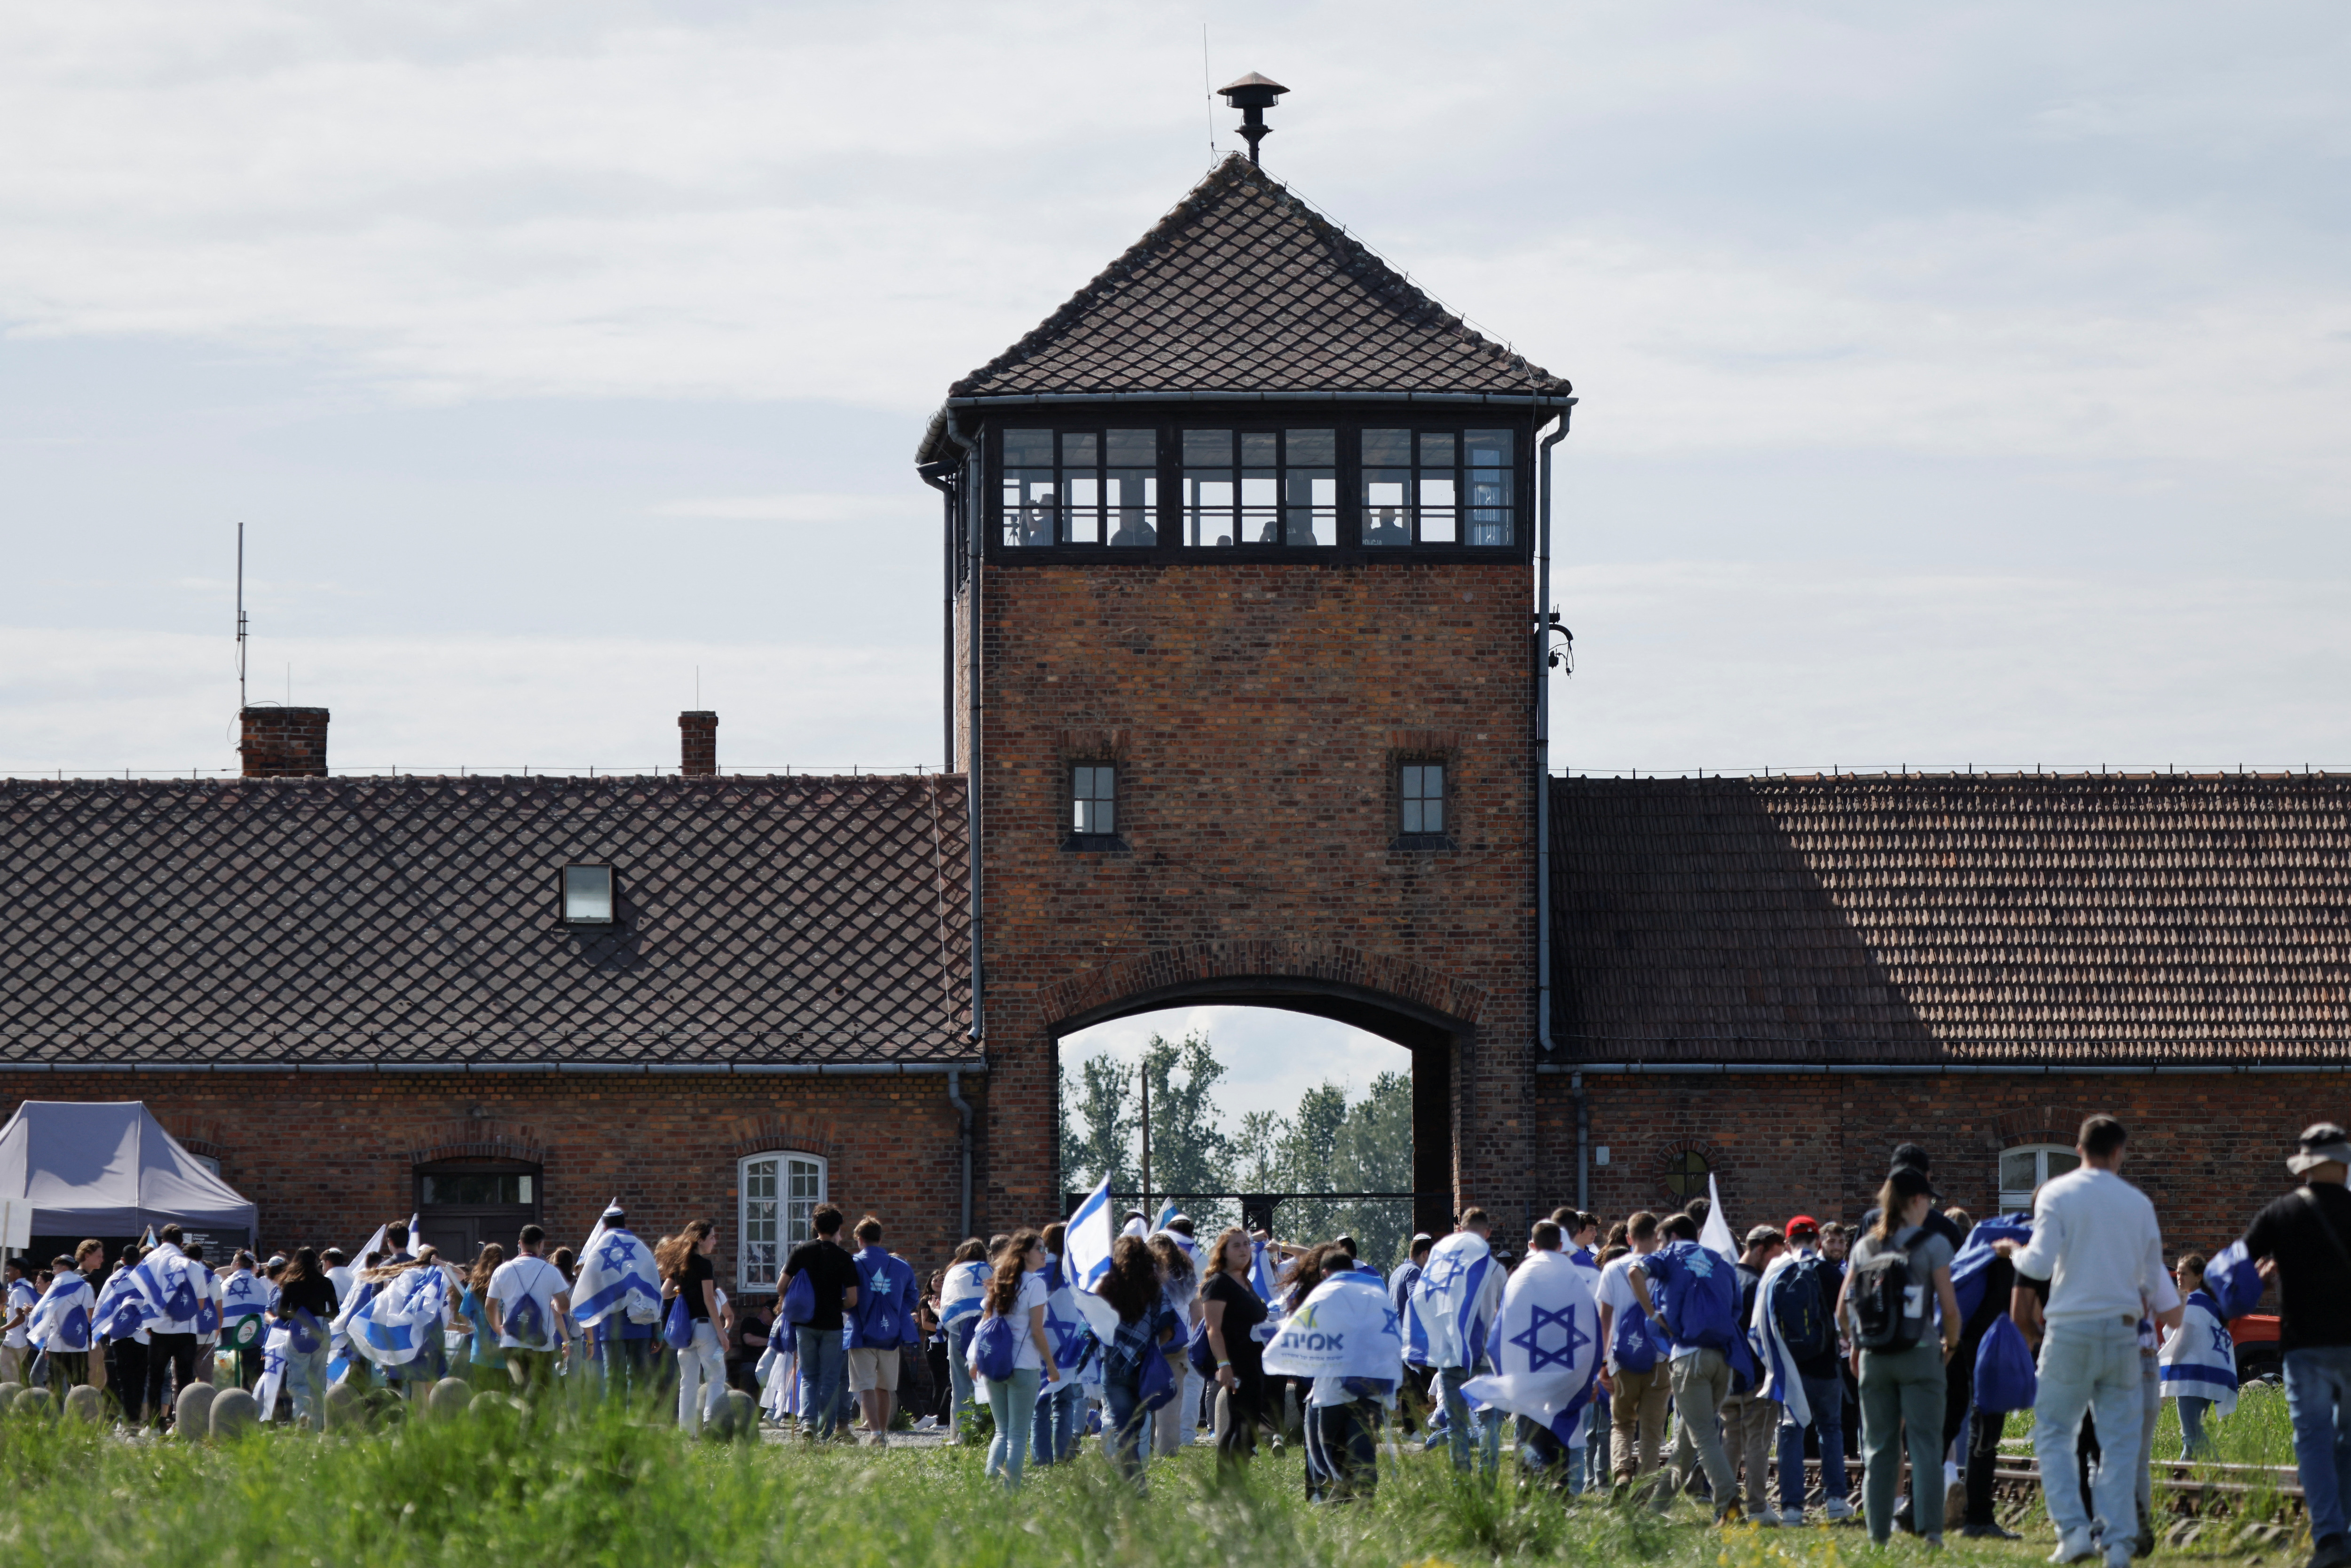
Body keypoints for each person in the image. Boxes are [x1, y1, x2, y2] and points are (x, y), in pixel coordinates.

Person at [2010, 1116, 2180, 1568]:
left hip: (2069, 1329)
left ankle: (2073, 1532)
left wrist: (2014, 1253)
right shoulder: (2139, 1203)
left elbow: (2040, 1265)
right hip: (2124, 1331)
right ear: (2119, 1151)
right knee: (2120, 1443)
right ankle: (2120, 1544)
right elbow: (2151, 1279)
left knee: (2053, 1431)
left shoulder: (2057, 1194)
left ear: (2079, 1148)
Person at [2236, 1121, 2351, 1568]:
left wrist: (2262, 1279)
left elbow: (2235, 1268)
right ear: (2344, 1165)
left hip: (2304, 1347)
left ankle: (2329, 1541)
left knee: (2314, 1439)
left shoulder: (2281, 1213)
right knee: (2348, 1441)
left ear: (2304, 1167)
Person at [1836, 1168, 1962, 1545]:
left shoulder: (1864, 1246)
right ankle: (1931, 1533)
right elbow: (1951, 1310)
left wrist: (1858, 1343)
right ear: (1917, 1201)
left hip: (1874, 1357)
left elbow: (1843, 1310)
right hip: (1921, 1351)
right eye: (1929, 1200)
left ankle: (1878, 1536)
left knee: (1879, 1447)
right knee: (1925, 1443)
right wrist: (1950, 1346)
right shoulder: (1933, 1243)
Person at [1627, 1213, 1744, 1521]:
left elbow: (1634, 1272)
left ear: (1672, 1237)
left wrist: (1653, 1314)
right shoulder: (1720, 1261)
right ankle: (1655, 1511)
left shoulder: (1670, 1254)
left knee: (1703, 1433)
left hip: (1688, 1356)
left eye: (1661, 1239)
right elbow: (1736, 1307)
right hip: (1723, 1358)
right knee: (1686, 1443)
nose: (1659, 1245)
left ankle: (1728, 1501)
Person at [1764, 1216, 1853, 1524]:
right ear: (1818, 1241)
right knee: (1830, 1428)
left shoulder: (1777, 1273)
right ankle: (1837, 1501)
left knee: (1790, 1431)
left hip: (1791, 1368)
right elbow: (1846, 1315)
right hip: (1826, 1365)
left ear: (1788, 1243)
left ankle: (1791, 1508)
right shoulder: (1830, 1272)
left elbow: (1762, 1325)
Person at [976, 1229, 1058, 1490]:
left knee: (1002, 1431)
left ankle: (989, 1486)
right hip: (1024, 1365)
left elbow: (984, 1325)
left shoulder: (999, 1280)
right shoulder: (1035, 1284)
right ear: (1024, 1254)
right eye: (1040, 1249)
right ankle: (1011, 1490)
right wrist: (1052, 1366)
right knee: (1019, 1434)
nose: (1045, 1253)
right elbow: (1037, 1331)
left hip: (994, 1364)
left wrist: (976, 1361)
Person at [1097, 1234, 1177, 1487]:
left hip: (1114, 1365)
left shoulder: (1106, 1288)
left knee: (1123, 1427)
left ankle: (1131, 1482)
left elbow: (1095, 1324)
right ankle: (1135, 1482)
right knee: (1136, 1426)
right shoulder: (1155, 1288)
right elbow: (1168, 1329)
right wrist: (1152, 1347)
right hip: (1145, 1366)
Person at [1598, 1209, 1671, 1487]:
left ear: (1628, 1238)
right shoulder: (1666, 1268)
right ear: (1657, 1236)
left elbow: (1605, 1319)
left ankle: (1622, 1475)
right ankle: (1647, 1487)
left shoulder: (1613, 1269)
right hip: (1659, 1359)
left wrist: (1603, 1363)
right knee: (1652, 1430)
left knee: (1623, 1424)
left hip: (1622, 1359)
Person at [1722, 1226, 1787, 1524]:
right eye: (1775, 1254)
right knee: (1758, 1441)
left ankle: (1724, 1505)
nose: (1777, 1262)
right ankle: (1758, 1507)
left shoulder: (1726, 1278)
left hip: (1726, 1377)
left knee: (1731, 1441)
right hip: (1757, 1377)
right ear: (1761, 1248)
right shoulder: (1758, 1285)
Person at [782, 1204, 860, 1440]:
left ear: (814, 1226)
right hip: (833, 1325)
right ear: (838, 1228)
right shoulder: (844, 1258)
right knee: (830, 1379)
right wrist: (837, 1305)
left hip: (805, 1324)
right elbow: (853, 1298)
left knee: (808, 1376)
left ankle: (807, 1422)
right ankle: (826, 1431)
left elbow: (780, 1286)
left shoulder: (801, 1251)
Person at [845, 1214, 917, 1447]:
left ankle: (875, 1433)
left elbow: (845, 1297)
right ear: (880, 1238)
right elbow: (912, 1296)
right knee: (885, 1387)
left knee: (864, 1386)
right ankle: (883, 1433)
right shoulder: (901, 1266)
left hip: (860, 1331)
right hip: (891, 1333)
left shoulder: (852, 1264)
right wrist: (895, 1312)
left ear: (859, 1239)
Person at [1201, 1223, 1271, 1464]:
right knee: (1240, 1423)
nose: (1243, 1250)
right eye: (1236, 1246)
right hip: (1236, 1362)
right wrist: (1224, 1364)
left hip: (1255, 1360)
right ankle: (1228, 1483)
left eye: (1246, 1245)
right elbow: (1213, 1328)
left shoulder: (1246, 1282)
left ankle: (1237, 1479)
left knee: (1248, 1422)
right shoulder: (1219, 1283)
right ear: (1223, 1252)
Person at [2157, 1253, 2234, 1461]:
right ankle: (2182, 1482)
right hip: (2207, 1378)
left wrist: (2164, 1366)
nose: (2179, 1277)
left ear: (2199, 1277)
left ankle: (2221, 1475)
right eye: (2178, 1273)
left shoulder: (2193, 1304)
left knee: (2192, 1434)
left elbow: (2182, 1342)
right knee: (2189, 1439)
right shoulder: (2210, 1304)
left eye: (2185, 1274)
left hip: (2191, 1378)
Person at [486, 1224, 569, 1402]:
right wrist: (553, 1304)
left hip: (512, 1340)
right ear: (541, 1245)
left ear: (520, 1244)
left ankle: (519, 1427)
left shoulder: (502, 1270)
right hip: (542, 1343)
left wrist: (498, 1328)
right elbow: (563, 1306)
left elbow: (490, 1306)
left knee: (517, 1389)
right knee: (541, 1390)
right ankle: (536, 1427)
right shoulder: (551, 1272)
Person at [657, 1220, 725, 1434]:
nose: (715, 1241)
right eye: (712, 1237)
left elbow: (664, 1294)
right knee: (716, 1377)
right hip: (705, 1327)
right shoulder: (704, 1265)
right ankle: (710, 1424)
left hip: (684, 1330)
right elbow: (709, 1299)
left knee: (688, 1382)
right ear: (700, 1239)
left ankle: (686, 1431)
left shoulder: (679, 1264)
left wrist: (682, 1290)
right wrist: (721, 1332)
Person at [272, 1246, 340, 1430]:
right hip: (322, 1330)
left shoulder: (292, 1284)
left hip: (298, 1331)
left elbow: (281, 1313)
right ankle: (316, 1426)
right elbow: (335, 1312)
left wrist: (300, 1315)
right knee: (318, 1380)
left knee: (298, 1378)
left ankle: (303, 1413)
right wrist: (319, 1315)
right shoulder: (326, 1283)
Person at [142, 1223, 204, 1424]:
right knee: (185, 1379)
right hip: (186, 1330)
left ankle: (152, 1425)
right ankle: (183, 1424)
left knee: (155, 1379)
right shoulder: (192, 1266)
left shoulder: (148, 1262)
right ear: (182, 1243)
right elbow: (201, 1304)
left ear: (162, 1240)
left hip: (158, 1330)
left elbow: (143, 1295)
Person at [1147, 1230, 1199, 1456]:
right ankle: (1168, 1453)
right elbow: (1197, 1313)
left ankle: (1143, 1450)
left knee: (1145, 1400)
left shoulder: (1144, 1275)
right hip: (1178, 1349)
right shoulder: (1187, 1278)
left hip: (1149, 1347)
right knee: (1172, 1403)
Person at [459, 1244, 507, 1380]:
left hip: (480, 1351)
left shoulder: (475, 1286)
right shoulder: (507, 1283)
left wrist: (474, 1328)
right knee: (502, 1397)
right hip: (502, 1351)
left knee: (482, 1397)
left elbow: (463, 1315)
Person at [1, 1256, 33, 1385]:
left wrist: (2, 1329)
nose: (7, 1273)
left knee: (9, 1379)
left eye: (9, 1270)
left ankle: (12, 1404)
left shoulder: (19, 1292)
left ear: (18, 1272)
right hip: (21, 1341)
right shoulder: (28, 1288)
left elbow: (21, 1317)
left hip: (15, 1342)